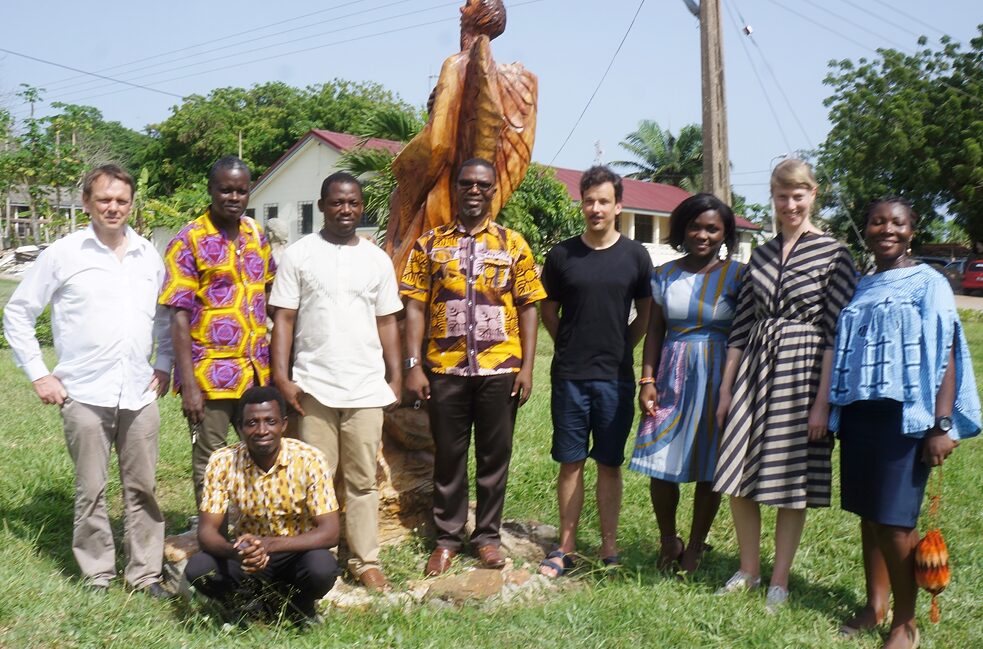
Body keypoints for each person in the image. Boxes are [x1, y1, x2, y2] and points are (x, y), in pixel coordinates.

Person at [3, 165, 173, 597]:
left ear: (131, 204)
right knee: (92, 488)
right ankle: (98, 571)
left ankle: (146, 573)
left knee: (143, 488)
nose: (113, 207)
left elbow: (163, 317)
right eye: (104, 200)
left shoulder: (147, 255)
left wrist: (165, 362)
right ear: (87, 203)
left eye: (121, 200)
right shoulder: (63, 253)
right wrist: (40, 374)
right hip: (84, 391)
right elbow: (18, 312)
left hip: (138, 390)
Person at [829, 198, 979, 649]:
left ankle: (905, 621)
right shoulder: (861, 284)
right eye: (878, 221)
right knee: (869, 516)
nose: (886, 229)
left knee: (895, 522)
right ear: (868, 229)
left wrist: (941, 424)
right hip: (860, 413)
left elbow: (948, 352)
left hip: (906, 417)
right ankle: (875, 605)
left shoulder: (928, 282)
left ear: (911, 231)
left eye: (897, 222)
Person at [712, 159, 857, 612]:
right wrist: (725, 388)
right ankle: (748, 569)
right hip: (756, 364)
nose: (790, 204)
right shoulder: (761, 253)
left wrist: (822, 404)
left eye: (798, 195)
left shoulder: (835, 254)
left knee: (791, 480)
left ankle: (779, 581)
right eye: (781, 196)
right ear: (772, 198)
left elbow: (836, 332)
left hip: (805, 369)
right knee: (736, 470)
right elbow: (741, 323)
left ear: (814, 194)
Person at [401, 158, 545, 576]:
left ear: (494, 190)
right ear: (456, 189)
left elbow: (529, 306)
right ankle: (446, 539)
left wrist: (527, 368)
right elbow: (414, 306)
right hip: (444, 368)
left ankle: (486, 537)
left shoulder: (513, 244)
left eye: (483, 184)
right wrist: (413, 364)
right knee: (448, 456)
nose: (475, 191)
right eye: (467, 184)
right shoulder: (430, 244)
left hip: (500, 369)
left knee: (494, 457)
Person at [270, 172, 402, 592]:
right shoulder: (299, 255)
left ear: (361, 207)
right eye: (337, 202)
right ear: (323, 205)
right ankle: (316, 556)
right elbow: (284, 320)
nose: (346, 209)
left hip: (365, 386)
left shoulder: (377, 259)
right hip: (313, 386)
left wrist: (395, 374)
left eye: (353, 203)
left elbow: (387, 321)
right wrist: (281, 376)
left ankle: (364, 559)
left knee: (363, 480)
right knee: (315, 477)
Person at [538, 165, 653, 577]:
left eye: (604, 201)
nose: (596, 208)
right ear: (581, 204)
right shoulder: (562, 255)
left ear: (618, 206)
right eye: (589, 200)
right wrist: (566, 341)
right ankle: (566, 545)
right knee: (570, 462)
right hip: (570, 375)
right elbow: (547, 308)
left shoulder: (635, 256)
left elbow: (646, 312)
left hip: (615, 377)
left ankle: (608, 546)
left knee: (608, 462)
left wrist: (626, 345)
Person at [629, 193, 744, 574]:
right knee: (661, 460)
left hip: (718, 376)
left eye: (712, 228)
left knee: (708, 463)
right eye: (695, 226)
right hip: (671, 374)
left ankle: (695, 545)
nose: (703, 235)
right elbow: (656, 330)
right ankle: (668, 540)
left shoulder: (737, 276)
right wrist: (647, 378)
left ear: (725, 232)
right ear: (682, 229)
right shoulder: (664, 275)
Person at [159, 156, 277, 506]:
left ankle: (254, 529)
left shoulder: (256, 234)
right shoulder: (189, 240)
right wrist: (189, 384)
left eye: (241, 191)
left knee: (260, 452)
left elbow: (269, 291)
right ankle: (213, 535)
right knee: (212, 458)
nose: (234, 197)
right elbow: (178, 315)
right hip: (210, 375)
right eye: (225, 190)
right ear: (211, 190)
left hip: (256, 371)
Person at [185, 385, 341, 624]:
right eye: (252, 423)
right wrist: (235, 552)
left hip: (295, 554)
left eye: (270, 421)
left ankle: (299, 606)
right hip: (246, 557)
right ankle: (247, 605)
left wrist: (270, 545)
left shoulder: (310, 459)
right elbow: (207, 533)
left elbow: (330, 533)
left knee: (322, 567)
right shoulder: (222, 462)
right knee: (199, 569)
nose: (261, 430)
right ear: (240, 428)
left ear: (284, 424)